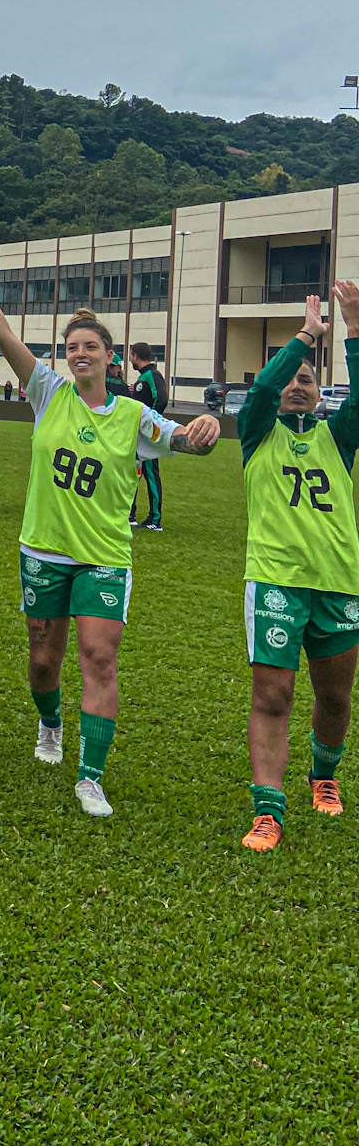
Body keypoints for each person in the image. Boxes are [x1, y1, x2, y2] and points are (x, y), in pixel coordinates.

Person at [0, 257, 218, 818]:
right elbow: (4, 334)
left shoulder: (132, 414)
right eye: (71, 347)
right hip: (44, 552)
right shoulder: (48, 393)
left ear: (109, 356)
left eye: (91, 347)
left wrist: (209, 428)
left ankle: (90, 776)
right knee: (42, 661)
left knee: (99, 658)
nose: (80, 354)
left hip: (105, 557)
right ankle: (50, 722)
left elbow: (185, 441)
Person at [238, 289, 359, 851]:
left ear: (319, 392)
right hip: (277, 581)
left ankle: (324, 775)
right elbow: (262, 388)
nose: (296, 384)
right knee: (274, 696)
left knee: (334, 698)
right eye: (292, 376)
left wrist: (353, 327)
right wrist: (307, 334)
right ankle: (268, 810)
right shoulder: (258, 434)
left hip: (338, 583)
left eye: (307, 378)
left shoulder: (337, 438)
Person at [130, 344, 169, 530]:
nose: (130, 360)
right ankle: (132, 515)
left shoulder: (152, 375)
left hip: (148, 436)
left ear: (135, 356)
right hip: (137, 436)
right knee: (135, 473)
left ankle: (155, 520)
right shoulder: (143, 377)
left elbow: (161, 399)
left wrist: (151, 425)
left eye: (130, 355)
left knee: (151, 476)